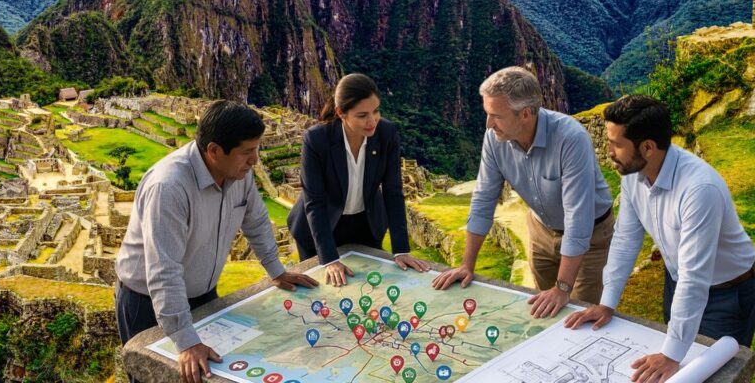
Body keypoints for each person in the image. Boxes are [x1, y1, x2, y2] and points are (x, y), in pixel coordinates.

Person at [114, 100, 318, 383]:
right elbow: (164, 269)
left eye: (256, 149)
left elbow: (256, 221)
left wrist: (277, 270)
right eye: (247, 152)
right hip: (147, 302)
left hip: (203, 293)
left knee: (211, 373)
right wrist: (185, 341)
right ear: (213, 151)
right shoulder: (169, 187)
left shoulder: (238, 174)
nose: (255, 161)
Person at [565, 95, 755, 382]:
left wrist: (671, 355)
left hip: (728, 294)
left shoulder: (699, 189)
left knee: (710, 375)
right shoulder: (633, 174)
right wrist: (607, 302)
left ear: (648, 147)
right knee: (677, 363)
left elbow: (695, 277)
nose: (608, 151)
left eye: (616, 144)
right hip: (676, 279)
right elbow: (626, 239)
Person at [432, 66, 613, 318]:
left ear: (525, 114)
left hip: (592, 236)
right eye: (487, 113)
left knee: (579, 315)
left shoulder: (571, 138)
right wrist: (466, 265)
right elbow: (484, 198)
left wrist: (562, 288)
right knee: (543, 308)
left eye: (496, 115)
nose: (488, 123)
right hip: (541, 230)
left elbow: (578, 218)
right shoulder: (495, 139)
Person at [287, 73, 429, 287]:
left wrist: (400, 249)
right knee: (322, 294)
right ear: (341, 113)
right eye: (362, 115)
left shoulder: (387, 134)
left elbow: (393, 191)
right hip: (320, 229)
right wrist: (330, 259)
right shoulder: (317, 139)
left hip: (366, 225)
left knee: (372, 289)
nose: (372, 121)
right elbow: (314, 201)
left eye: (376, 111)